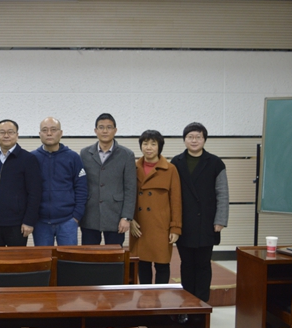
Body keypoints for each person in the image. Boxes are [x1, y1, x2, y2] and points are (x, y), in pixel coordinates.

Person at [171, 122, 229, 303]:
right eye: (190, 137)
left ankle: (202, 305)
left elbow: (222, 193)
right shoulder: (176, 162)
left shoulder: (216, 163)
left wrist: (220, 220)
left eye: (198, 137)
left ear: (204, 140)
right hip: (184, 222)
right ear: (184, 139)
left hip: (207, 222)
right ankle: (187, 304)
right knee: (187, 264)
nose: (194, 140)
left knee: (203, 264)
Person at [129, 130, 182, 284]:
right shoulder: (133, 168)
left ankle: (160, 297)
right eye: (145, 143)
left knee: (162, 265)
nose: (149, 147)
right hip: (139, 225)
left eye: (153, 144)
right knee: (142, 265)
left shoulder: (170, 169)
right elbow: (127, 196)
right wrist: (129, 219)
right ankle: (145, 297)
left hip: (161, 226)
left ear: (159, 147)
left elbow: (176, 201)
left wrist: (175, 228)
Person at [79, 113, 136, 245]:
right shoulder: (85, 153)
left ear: (115, 130)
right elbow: (81, 184)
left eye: (109, 127)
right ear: (95, 130)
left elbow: (130, 188)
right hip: (90, 214)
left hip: (115, 215)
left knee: (114, 255)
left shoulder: (126, 155)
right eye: (101, 127)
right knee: (89, 254)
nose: (105, 131)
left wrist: (126, 217)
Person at [0, 119, 42, 247]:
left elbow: (35, 193)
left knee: (16, 259)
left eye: (10, 132)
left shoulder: (28, 159)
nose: (6, 135)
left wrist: (29, 221)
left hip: (17, 224)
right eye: (2, 132)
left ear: (17, 135)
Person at [32, 117, 88, 246]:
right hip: (40, 222)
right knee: (44, 258)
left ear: (61, 133)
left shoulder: (73, 157)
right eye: (45, 130)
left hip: (68, 221)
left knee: (69, 257)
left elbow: (81, 188)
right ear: (39, 134)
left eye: (53, 129)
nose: (49, 133)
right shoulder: (32, 158)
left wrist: (76, 216)